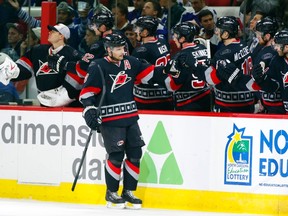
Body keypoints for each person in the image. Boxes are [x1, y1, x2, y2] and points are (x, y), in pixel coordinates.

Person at [79, 33, 166, 209]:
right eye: (118, 49)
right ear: (108, 49)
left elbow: (150, 74)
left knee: (135, 154)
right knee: (116, 155)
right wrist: (89, 110)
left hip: (130, 116)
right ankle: (111, 192)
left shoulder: (130, 62)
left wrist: (170, 67)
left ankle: (129, 191)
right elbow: (86, 93)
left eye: (123, 48)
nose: (122, 51)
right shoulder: (98, 66)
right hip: (111, 119)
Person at [0, 24, 84, 107]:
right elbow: (24, 68)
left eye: (54, 31)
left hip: (66, 107)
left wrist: (63, 97)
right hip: (44, 102)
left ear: (61, 36)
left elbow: (77, 81)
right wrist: (13, 71)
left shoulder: (73, 55)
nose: (50, 32)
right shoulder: (38, 51)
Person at [47, 8, 134, 83]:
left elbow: (83, 70)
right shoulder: (121, 35)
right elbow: (132, 54)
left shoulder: (99, 45)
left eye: (95, 25)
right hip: (127, 79)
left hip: (110, 83)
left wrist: (65, 65)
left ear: (103, 27)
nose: (93, 27)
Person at [165, 22, 212, 111]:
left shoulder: (179, 57)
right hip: (206, 98)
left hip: (188, 103)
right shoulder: (202, 48)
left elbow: (172, 86)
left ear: (182, 39)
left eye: (175, 36)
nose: (174, 39)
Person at [132, 16, 173, 110]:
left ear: (145, 32)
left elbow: (135, 77)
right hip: (166, 94)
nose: (135, 31)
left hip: (148, 99)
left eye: (138, 29)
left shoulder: (141, 51)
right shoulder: (163, 42)